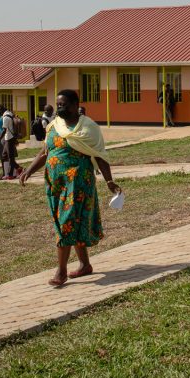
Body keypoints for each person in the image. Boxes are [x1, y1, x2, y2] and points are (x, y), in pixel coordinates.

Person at [20, 89, 121, 287]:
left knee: (66, 222)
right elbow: (46, 151)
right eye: (58, 105)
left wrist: (109, 182)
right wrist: (29, 170)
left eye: (64, 104)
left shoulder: (88, 128)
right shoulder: (53, 126)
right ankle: (84, 264)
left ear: (76, 105)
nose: (60, 108)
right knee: (68, 221)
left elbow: (100, 155)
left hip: (78, 183)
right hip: (55, 184)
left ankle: (61, 272)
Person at [0, 104, 19, 181]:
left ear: (0, 109)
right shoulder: (10, 113)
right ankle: (19, 169)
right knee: (4, 155)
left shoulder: (5, 117)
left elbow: (4, 130)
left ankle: (10, 175)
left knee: (10, 157)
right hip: (9, 138)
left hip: (9, 138)